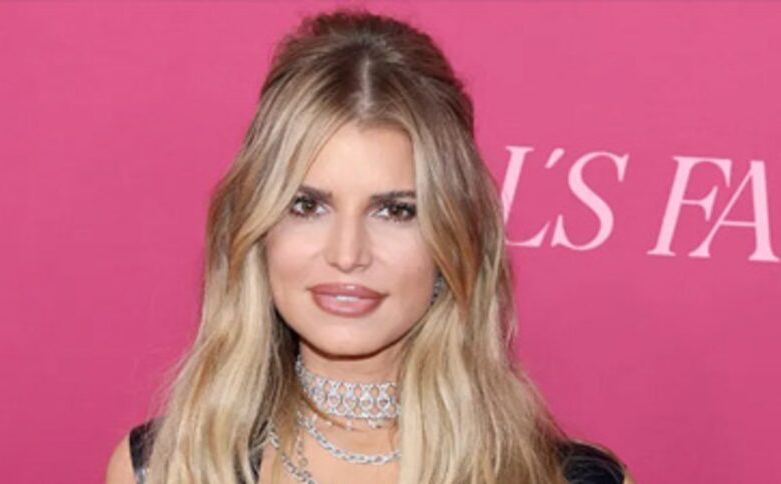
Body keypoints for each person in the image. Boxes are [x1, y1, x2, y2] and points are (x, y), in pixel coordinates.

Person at [106, 7, 635, 484]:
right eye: (306, 206)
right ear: (258, 229)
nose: (347, 253)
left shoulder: (567, 479)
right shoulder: (164, 469)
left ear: (454, 239)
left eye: (395, 211)